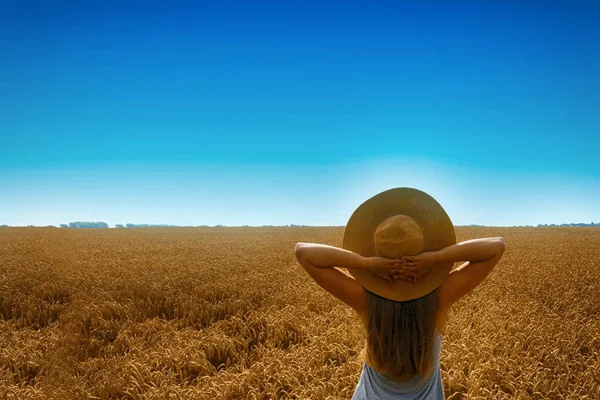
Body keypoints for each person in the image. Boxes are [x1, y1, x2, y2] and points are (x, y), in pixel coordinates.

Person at [294, 188, 506, 399]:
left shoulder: (366, 300)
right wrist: (436, 258)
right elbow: (496, 246)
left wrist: (365, 263)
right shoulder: (439, 298)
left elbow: (304, 252)